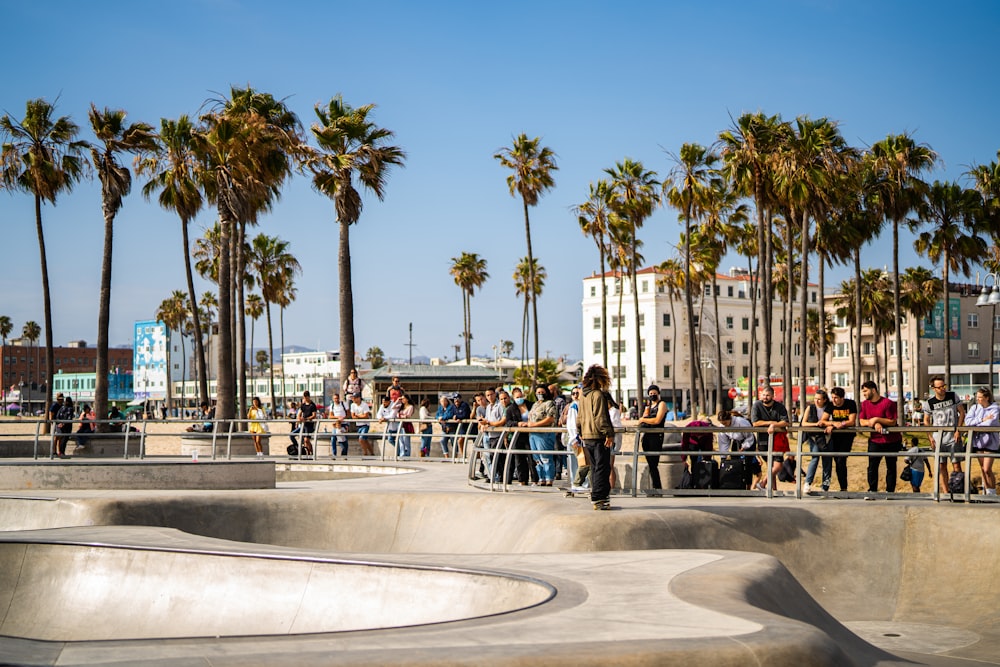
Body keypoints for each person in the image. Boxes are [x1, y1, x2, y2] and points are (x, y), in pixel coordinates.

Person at [577, 364, 615, 510]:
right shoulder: (597, 395)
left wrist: (580, 432)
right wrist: (609, 434)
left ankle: (601, 497)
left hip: (587, 436)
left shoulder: (583, 395)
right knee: (602, 467)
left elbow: (579, 417)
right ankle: (599, 497)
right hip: (598, 436)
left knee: (595, 467)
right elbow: (600, 418)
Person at [922, 376, 966, 495]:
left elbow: (962, 412)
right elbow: (926, 420)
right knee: (942, 466)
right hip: (938, 438)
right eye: (939, 387)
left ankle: (959, 491)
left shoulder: (952, 396)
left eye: (944, 386)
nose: (942, 389)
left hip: (953, 436)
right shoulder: (929, 403)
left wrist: (958, 430)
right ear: (934, 389)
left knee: (956, 464)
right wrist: (930, 437)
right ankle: (946, 492)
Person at [859, 380, 903, 497]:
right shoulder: (864, 404)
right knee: (872, 466)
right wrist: (873, 423)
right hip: (875, 440)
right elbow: (862, 421)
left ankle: (890, 492)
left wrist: (877, 419)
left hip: (891, 441)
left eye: (865, 391)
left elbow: (892, 421)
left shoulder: (888, 403)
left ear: (873, 390)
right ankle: (872, 490)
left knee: (891, 466)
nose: (863, 394)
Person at [750, 385, 790, 489]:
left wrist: (774, 425)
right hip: (763, 441)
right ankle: (773, 490)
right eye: (763, 395)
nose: (765, 397)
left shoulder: (779, 407)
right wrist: (770, 422)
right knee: (771, 467)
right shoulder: (757, 405)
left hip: (777, 441)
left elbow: (786, 422)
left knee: (777, 466)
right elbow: (755, 423)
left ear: (773, 396)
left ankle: (762, 483)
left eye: (768, 395)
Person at [818, 387, 857, 492]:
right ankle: (842, 487)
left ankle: (844, 488)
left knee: (841, 460)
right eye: (832, 397)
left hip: (847, 436)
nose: (834, 400)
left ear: (842, 398)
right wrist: (833, 424)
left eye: (836, 398)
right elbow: (823, 421)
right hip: (835, 436)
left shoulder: (850, 404)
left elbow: (852, 421)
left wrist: (842, 424)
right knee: (837, 461)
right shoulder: (831, 405)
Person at [964, 386, 999, 495]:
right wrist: (982, 419)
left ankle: (992, 492)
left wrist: (977, 424)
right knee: (983, 469)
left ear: (987, 397)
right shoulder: (974, 408)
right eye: (977, 397)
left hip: (990, 442)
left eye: (980, 397)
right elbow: (968, 421)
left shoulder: (995, 408)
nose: (978, 399)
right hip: (978, 441)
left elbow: (990, 423)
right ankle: (986, 490)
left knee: (987, 468)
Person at [716, 408, 759, 490]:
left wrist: (743, 447)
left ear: (729, 419)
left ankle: (748, 486)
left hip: (748, 440)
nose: (724, 425)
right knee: (734, 462)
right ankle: (736, 483)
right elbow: (724, 442)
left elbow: (749, 436)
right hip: (736, 441)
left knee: (747, 464)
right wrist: (723, 456)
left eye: (725, 423)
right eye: (722, 424)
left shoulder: (741, 422)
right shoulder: (722, 427)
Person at [525, 385, 558, 486]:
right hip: (533, 434)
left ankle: (549, 478)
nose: (540, 394)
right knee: (537, 458)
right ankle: (541, 477)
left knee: (545, 457)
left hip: (544, 434)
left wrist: (535, 425)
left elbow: (550, 418)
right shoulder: (535, 405)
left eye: (542, 392)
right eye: (538, 392)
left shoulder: (549, 403)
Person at [637, 384, 668, 490]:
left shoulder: (662, 404)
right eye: (650, 393)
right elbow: (641, 421)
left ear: (658, 393)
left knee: (654, 464)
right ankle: (655, 488)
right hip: (647, 437)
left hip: (656, 437)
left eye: (654, 393)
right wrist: (644, 417)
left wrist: (643, 419)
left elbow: (657, 420)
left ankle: (657, 488)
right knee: (651, 464)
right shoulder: (648, 407)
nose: (652, 395)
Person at [801, 390, 831, 494]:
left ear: (824, 400)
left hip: (827, 437)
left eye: (819, 399)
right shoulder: (810, 408)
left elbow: (832, 421)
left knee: (827, 461)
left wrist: (828, 425)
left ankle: (825, 485)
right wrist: (815, 425)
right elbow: (803, 423)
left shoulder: (829, 408)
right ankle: (807, 483)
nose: (817, 401)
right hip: (814, 437)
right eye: (815, 398)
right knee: (815, 457)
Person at [327, 392, 351, 457]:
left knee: (344, 439)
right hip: (336, 424)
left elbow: (349, 414)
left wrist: (343, 418)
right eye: (335, 399)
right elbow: (330, 416)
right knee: (333, 438)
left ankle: (344, 454)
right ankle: (334, 454)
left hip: (344, 424)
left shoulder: (344, 404)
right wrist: (338, 417)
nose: (336, 400)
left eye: (337, 398)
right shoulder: (332, 406)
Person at [295, 391, 318, 456]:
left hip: (309, 425)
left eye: (306, 397)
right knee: (303, 439)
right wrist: (299, 418)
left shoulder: (312, 405)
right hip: (303, 425)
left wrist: (306, 419)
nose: (305, 399)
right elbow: (299, 413)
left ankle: (311, 452)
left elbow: (314, 415)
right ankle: (306, 452)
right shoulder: (303, 405)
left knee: (306, 439)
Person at [451, 393, 472, 459]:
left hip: (468, 426)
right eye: (455, 399)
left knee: (464, 440)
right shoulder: (453, 406)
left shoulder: (464, 405)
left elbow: (466, 415)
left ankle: (477, 456)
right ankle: (463, 456)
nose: (456, 401)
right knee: (460, 440)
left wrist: (457, 417)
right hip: (459, 427)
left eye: (457, 399)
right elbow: (451, 414)